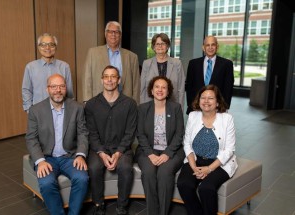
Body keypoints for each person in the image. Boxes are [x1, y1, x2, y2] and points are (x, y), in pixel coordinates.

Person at [25, 74, 89, 215]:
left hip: (70, 156)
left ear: (66, 88)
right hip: (47, 157)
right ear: (47, 89)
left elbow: (83, 134)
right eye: (54, 86)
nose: (58, 90)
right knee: (46, 183)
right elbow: (31, 139)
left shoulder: (77, 108)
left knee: (82, 178)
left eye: (61, 86)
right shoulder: (36, 110)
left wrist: (80, 155)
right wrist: (40, 161)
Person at [177, 84, 238, 215]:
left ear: (217, 102)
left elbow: (229, 150)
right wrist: (193, 167)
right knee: (184, 184)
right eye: (203, 97)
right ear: (198, 101)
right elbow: (187, 143)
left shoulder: (227, 119)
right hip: (196, 160)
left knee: (206, 188)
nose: (206, 101)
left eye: (210, 98)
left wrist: (209, 169)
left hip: (219, 163)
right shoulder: (193, 116)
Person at [85, 65, 137, 215]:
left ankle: (121, 207)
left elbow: (130, 132)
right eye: (106, 76)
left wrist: (119, 153)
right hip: (99, 148)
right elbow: (91, 133)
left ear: (118, 80)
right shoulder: (91, 104)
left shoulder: (130, 104)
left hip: (122, 147)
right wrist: (101, 153)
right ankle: (98, 205)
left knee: (126, 168)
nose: (109, 80)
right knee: (94, 168)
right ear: (102, 80)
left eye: (113, 76)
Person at [135, 76, 185, 215]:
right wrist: (150, 154)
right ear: (151, 90)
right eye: (157, 86)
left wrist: (167, 153)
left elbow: (179, 134)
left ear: (168, 92)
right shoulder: (143, 108)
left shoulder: (175, 108)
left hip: (172, 150)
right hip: (148, 150)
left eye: (164, 87)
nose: (160, 90)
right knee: (149, 172)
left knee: (164, 173)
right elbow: (140, 134)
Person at [83, 21, 140, 104]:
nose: (113, 34)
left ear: (120, 35)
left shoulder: (132, 57)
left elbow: (136, 85)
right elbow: (87, 79)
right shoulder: (93, 53)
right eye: (110, 31)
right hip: (98, 102)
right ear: (105, 34)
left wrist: (135, 104)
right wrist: (87, 101)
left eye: (116, 32)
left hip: (125, 104)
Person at [22, 33, 74, 112]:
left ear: (56, 47)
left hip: (60, 111)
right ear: (39, 47)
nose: (47, 48)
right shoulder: (30, 67)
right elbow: (26, 90)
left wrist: (70, 111)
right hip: (38, 112)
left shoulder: (64, 66)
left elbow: (69, 92)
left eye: (51, 45)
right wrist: (29, 110)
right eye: (43, 45)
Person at [185, 35, 234, 114]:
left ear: (217, 46)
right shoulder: (193, 63)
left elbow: (228, 87)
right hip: (196, 107)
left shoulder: (227, 64)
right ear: (203, 47)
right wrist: (191, 104)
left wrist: (224, 106)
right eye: (207, 45)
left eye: (213, 45)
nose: (210, 47)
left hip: (218, 108)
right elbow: (189, 86)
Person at [140, 33, 185, 110]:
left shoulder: (177, 63)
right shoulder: (146, 63)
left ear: (167, 46)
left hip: (172, 105)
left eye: (163, 43)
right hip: (151, 106)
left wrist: (180, 109)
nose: (160, 46)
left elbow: (181, 89)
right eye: (157, 44)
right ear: (153, 47)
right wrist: (142, 108)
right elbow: (142, 88)